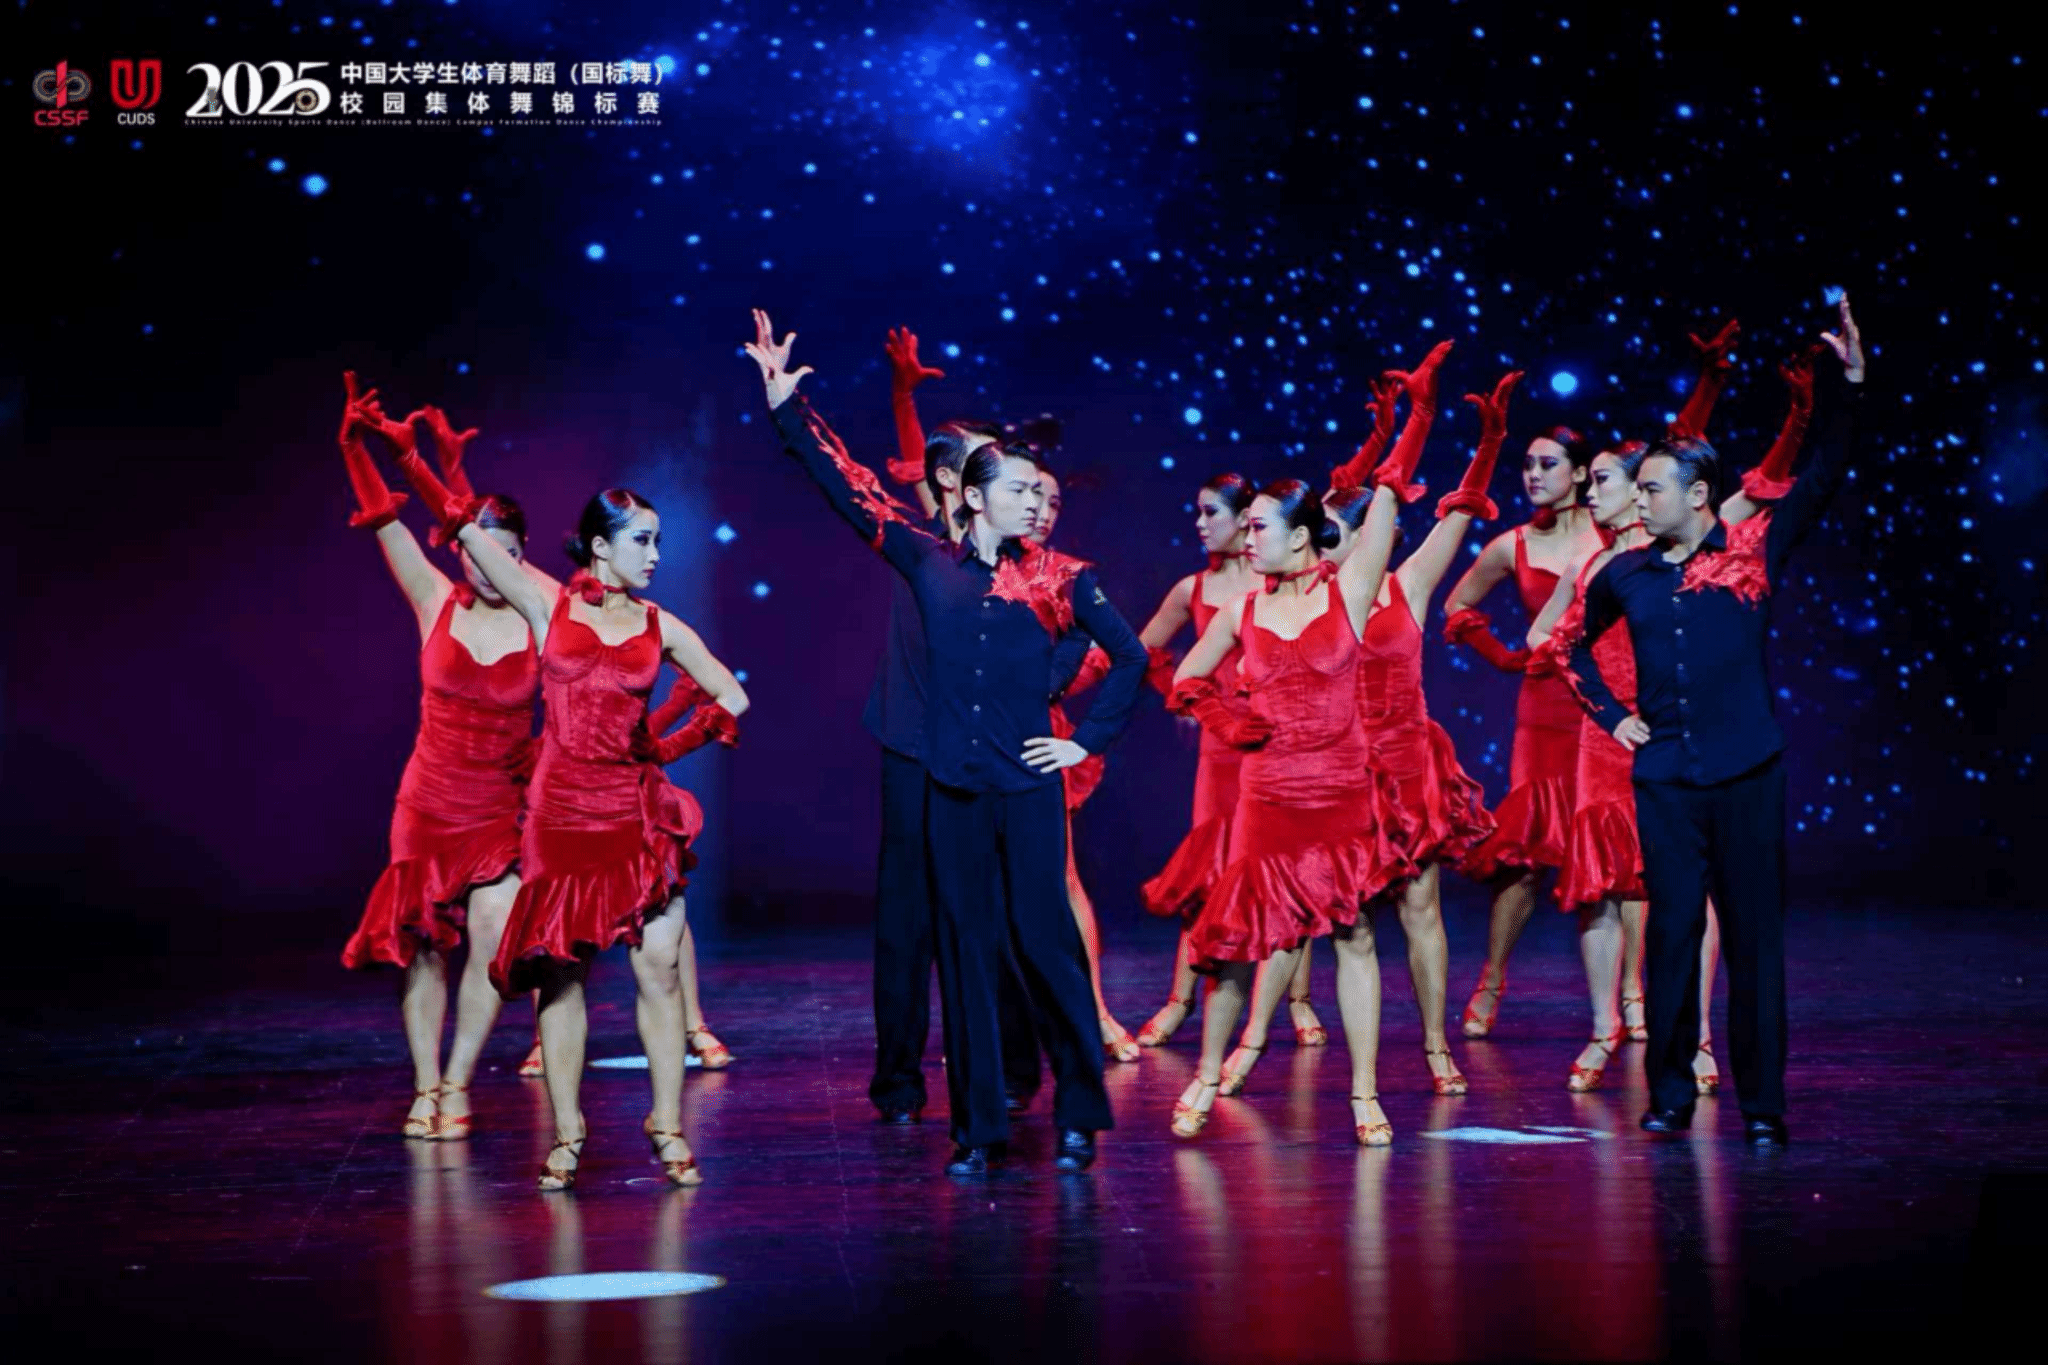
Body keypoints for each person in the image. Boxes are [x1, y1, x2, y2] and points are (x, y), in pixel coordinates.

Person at [751, 309, 1146, 1175]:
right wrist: (787, 407)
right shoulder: (926, 558)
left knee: (1043, 940)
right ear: (972, 496)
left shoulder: (1062, 578)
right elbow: (848, 488)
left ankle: (1079, 1112)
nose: (1035, 501)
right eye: (1019, 489)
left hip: (1027, 787)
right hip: (951, 787)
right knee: (964, 951)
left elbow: (1130, 656)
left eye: (1039, 491)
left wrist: (1084, 743)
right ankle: (977, 1129)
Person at [1565, 296, 1865, 1146]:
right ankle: (1668, 1095)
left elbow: (1827, 471)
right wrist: (1613, 716)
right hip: (1665, 782)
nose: (1638, 499)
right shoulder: (1623, 574)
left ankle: (1763, 1105)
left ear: (1697, 495)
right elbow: (1570, 650)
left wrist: (1849, 386)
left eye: (1652, 487)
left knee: (1754, 944)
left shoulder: (1751, 551)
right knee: (1671, 936)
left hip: (1747, 773)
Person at [438, 470, 749, 1190]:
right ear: (600, 545)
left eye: (659, 541)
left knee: (660, 964)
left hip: (633, 812)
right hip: (560, 816)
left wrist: (662, 748)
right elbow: (467, 532)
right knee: (561, 972)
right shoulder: (546, 604)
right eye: (642, 541)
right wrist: (415, 465)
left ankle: (666, 1123)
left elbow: (731, 695)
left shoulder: (660, 624)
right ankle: (568, 1130)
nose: (656, 555)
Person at [1445, 321, 1741, 1039]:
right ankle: (1495, 980)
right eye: (1526, 464)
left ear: (1583, 475)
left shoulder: (1618, 535)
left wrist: (1709, 383)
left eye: (1547, 464)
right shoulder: (1517, 543)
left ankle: (1634, 998)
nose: (1533, 475)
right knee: (1527, 861)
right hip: (1547, 708)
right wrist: (1508, 657)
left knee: (1626, 857)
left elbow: (1676, 462)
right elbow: (1460, 608)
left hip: (1613, 709)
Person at [1151, 475, 1415, 1146]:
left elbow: (1386, 496)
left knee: (1354, 937)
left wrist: (1411, 426)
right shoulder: (1241, 609)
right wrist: (1226, 719)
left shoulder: (1350, 590)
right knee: (1240, 941)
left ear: (1299, 537)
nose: (1247, 536)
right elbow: (1186, 678)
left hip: (1340, 796)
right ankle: (1207, 1074)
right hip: (1267, 798)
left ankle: (1364, 1091)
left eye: (1259, 526)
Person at [334, 375, 542, 1142]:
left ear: (520, 558)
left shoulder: (541, 615)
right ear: (457, 550)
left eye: (506, 554)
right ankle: (425, 1084)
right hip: (427, 804)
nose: (489, 566)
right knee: (422, 950)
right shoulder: (433, 599)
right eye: (478, 551)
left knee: (492, 927)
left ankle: (458, 1082)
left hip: (498, 809)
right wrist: (354, 447)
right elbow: (386, 519)